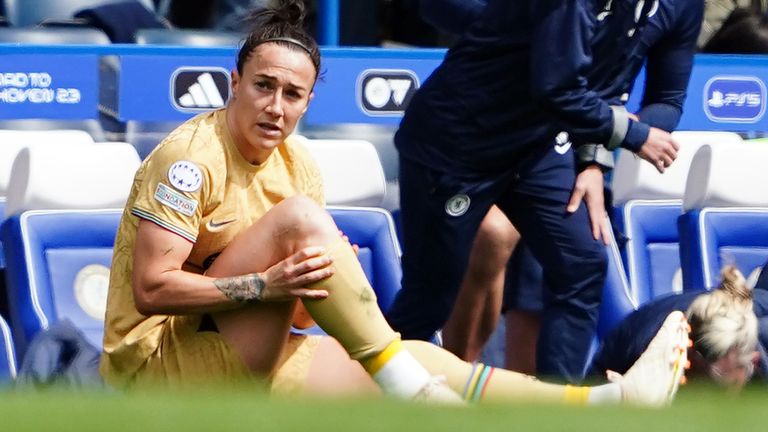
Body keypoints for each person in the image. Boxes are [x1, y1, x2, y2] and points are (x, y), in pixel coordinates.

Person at [100, 0, 689, 407]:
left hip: (249, 352)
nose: (276, 106)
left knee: (426, 362)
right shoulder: (188, 158)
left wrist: (308, 288)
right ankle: (405, 386)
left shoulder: (298, 162)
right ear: (234, 83)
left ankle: (606, 401)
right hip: (160, 372)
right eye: (263, 86)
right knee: (337, 256)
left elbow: (294, 315)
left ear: (308, 102)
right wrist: (267, 285)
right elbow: (153, 289)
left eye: (293, 94)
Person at [388, 0, 694, 382]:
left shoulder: (682, 5)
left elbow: (655, 95)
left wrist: (594, 158)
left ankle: (555, 407)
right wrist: (631, 134)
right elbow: (558, 88)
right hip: (458, 143)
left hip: (541, 145)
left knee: (582, 263)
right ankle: (369, 393)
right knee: (429, 298)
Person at [591, 266, 764, 390]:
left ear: (753, 362)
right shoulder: (651, 352)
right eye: (711, 385)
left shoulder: (754, 346)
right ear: (689, 357)